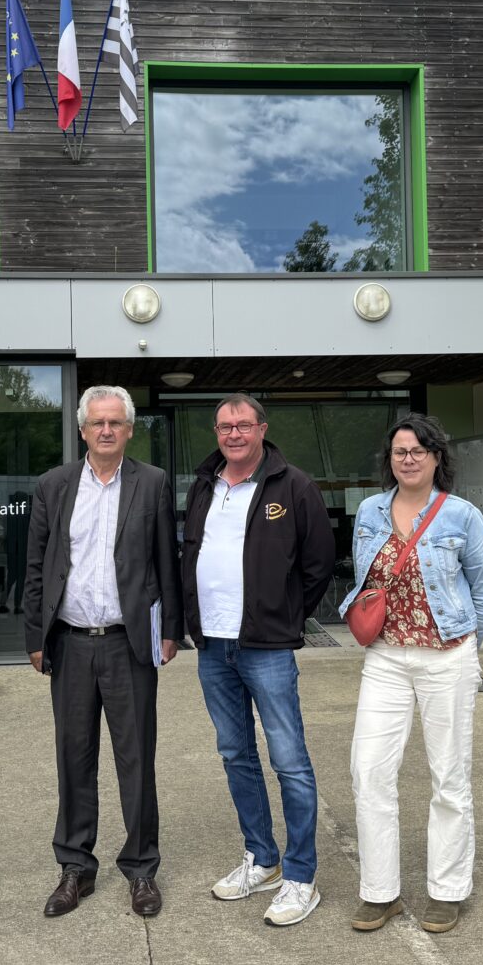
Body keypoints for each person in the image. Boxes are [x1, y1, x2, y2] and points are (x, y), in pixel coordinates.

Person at [23, 385, 183, 919]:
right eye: (97, 422)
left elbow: (166, 560)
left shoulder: (152, 482)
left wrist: (171, 629)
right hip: (69, 642)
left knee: (136, 759)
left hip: (128, 643)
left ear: (130, 430)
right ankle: (75, 867)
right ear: (83, 430)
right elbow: (36, 565)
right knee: (74, 758)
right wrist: (35, 636)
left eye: (116, 422)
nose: (107, 430)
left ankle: (141, 868)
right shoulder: (54, 484)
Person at [182, 393, 334, 927]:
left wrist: (286, 616)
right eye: (225, 426)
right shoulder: (204, 485)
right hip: (213, 645)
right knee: (235, 754)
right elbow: (191, 554)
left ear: (262, 429)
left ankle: (301, 875)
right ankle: (262, 858)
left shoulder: (294, 486)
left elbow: (319, 563)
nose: (234, 434)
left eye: (243, 425)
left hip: (266, 647)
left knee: (289, 760)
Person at [341, 414, 483, 935]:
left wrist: (468, 650)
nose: (408, 460)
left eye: (417, 451)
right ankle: (379, 892)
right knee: (368, 771)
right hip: (386, 657)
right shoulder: (370, 510)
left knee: (449, 776)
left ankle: (446, 891)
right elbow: (366, 577)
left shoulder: (461, 514)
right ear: (389, 460)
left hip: (446, 657)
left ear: (436, 457)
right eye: (399, 452)